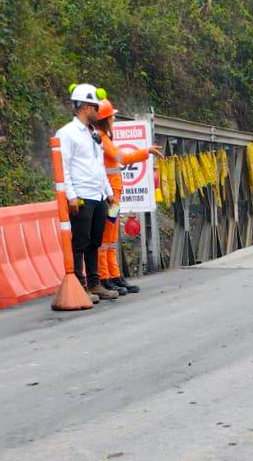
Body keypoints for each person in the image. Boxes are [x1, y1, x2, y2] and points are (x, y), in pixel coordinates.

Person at [94, 98, 163, 295]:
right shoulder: (103, 141)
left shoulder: (105, 139)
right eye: (112, 117)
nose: (114, 119)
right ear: (105, 119)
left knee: (111, 236)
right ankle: (106, 278)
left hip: (114, 196)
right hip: (109, 196)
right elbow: (121, 158)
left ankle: (115, 276)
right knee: (106, 238)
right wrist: (145, 152)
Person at [57, 83, 118, 302]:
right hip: (81, 196)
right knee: (80, 243)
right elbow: (63, 167)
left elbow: (98, 165)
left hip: (98, 195)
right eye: (94, 107)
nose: (98, 111)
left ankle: (95, 283)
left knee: (95, 241)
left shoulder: (94, 134)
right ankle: (79, 285)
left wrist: (108, 191)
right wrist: (71, 195)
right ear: (84, 107)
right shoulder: (67, 133)